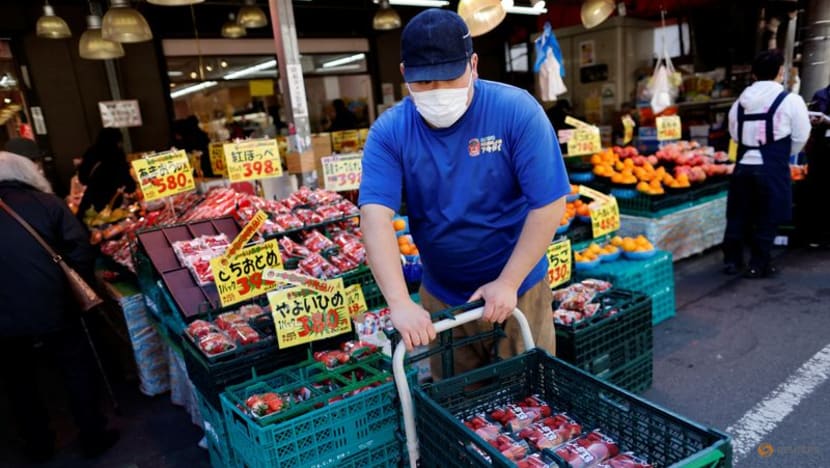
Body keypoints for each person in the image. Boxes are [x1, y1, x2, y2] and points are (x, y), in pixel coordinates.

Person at [359, 9, 569, 378]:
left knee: (531, 399)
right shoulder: (389, 132)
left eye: (450, 77)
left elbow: (549, 203)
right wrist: (398, 302)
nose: (438, 92)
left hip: (521, 288)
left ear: (473, 64)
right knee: (458, 407)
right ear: (405, 74)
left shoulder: (516, 111)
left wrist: (509, 282)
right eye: (425, 83)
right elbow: (375, 216)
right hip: (442, 295)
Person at [0, 140, 119, 461]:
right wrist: (69, 285)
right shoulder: (47, 203)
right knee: (75, 368)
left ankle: (38, 446)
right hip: (51, 301)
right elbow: (80, 247)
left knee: (18, 381)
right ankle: (93, 436)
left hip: (4, 315)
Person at [723, 50, 810, 278]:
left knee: (738, 213)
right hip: (771, 166)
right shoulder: (790, 100)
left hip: (743, 166)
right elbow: (801, 135)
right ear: (780, 72)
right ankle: (758, 264)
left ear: (753, 74)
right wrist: (782, 153)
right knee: (767, 215)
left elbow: (734, 134)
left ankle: (732, 261)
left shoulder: (739, 104)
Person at [77, 128, 136, 218]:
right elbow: (127, 182)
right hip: (111, 203)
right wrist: (131, 187)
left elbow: (83, 178)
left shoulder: (91, 152)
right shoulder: (117, 155)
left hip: (90, 201)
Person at [804, 81, 830, 248]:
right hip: (821, 149)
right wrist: (813, 120)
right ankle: (816, 235)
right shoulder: (820, 94)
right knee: (818, 190)